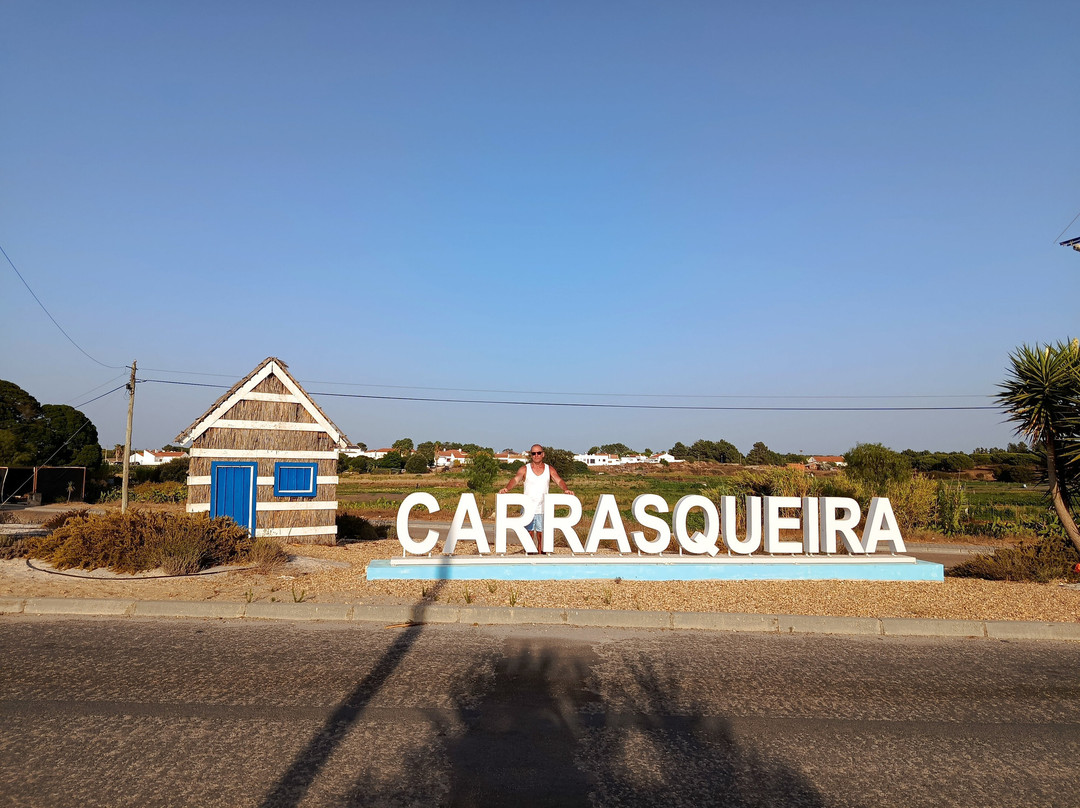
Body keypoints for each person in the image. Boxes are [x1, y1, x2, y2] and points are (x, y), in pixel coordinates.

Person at [497, 444, 573, 554]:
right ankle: (530, 551)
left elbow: (559, 480)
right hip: (528, 507)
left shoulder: (549, 469)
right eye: (533, 453)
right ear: (531, 455)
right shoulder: (525, 469)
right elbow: (515, 479)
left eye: (538, 453)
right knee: (529, 532)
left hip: (543, 507)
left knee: (541, 533)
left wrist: (566, 489)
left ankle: (541, 551)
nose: (536, 455)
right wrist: (506, 488)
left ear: (543, 454)